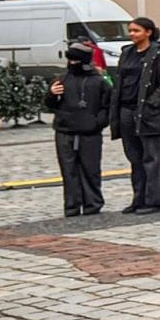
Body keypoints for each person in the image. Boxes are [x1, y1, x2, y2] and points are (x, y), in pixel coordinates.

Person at [111, 16, 160, 215]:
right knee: (135, 158)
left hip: (149, 114)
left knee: (152, 158)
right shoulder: (127, 53)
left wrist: (152, 103)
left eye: (136, 30)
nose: (132, 34)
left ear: (148, 32)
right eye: (130, 30)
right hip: (127, 111)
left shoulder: (158, 54)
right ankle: (139, 199)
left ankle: (156, 200)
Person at [46, 38, 110, 216]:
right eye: (70, 60)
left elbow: (107, 107)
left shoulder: (98, 82)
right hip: (65, 131)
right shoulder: (61, 79)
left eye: (75, 60)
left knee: (91, 170)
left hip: (90, 133)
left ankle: (92, 204)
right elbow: (50, 104)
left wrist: (97, 123)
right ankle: (72, 205)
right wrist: (51, 94)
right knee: (68, 171)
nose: (72, 63)